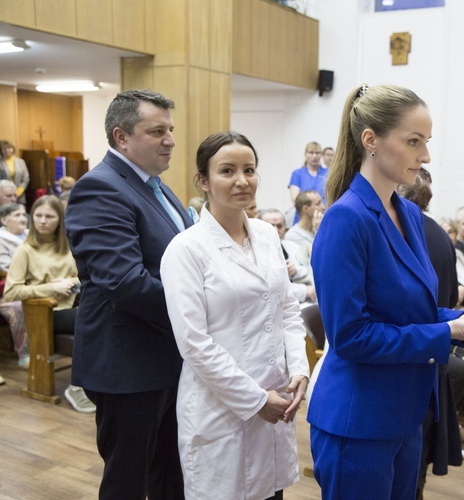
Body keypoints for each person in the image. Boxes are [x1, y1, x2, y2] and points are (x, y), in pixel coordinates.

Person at [307, 83, 464, 500]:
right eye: (413, 141)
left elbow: (414, 311)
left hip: (404, 413)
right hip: (358, 420)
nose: (424, 156)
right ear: (371, 140)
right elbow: (350, 336)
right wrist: (448, 333)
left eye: (425, 142)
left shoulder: (406, 212)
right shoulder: (346, 219)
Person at [161, 132, 309, 499]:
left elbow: (287, 308)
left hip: (276, 399)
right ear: (203, 181)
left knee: (270, 492)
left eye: (249, 169)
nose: (242, 180)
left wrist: (299, 369)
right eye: (227, 171)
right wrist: (256, 400)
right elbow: (194, 343)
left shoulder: (266, 234)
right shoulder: (186, 249)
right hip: (221, 409)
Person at [65, 89, 192, 499]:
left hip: (167, 355)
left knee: (171, 471)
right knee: (128, 480)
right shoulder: (99, 188)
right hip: (128, 363)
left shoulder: (158, 187)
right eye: (157, 131)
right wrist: (198, 309)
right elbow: (124, 281)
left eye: (170, 129)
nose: (170, 139)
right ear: (121, 137)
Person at [396, 168, 463, 497]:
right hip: (433, 358)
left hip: (404, 361)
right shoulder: (439, 235)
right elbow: (450, 296)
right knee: (414, 470)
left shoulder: (405, 233)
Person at [4, 196, 91, 410]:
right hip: (45, 314)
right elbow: (11, 291)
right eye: (38, 216)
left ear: (60, 220)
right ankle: (77, 385)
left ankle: (93, 381)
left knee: (105, 313)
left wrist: (67, 281)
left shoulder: (67, 246)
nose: (43, 221)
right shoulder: (25, 250)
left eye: (49, 216)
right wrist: (51, 288)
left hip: (73, 306)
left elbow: (84, 276)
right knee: (89, 318)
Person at [259, 208, 317, 304]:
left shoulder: (291, 246)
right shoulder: (255, 254)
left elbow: (309, 272)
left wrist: (295, 271)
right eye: (270, 226)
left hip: (305, 302)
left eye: (279, 226)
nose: (275, 230)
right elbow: (269, 289)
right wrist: (303, 291)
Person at [0, 202, 29, 367]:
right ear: (4, 220)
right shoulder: (1, 239)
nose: (22, 219)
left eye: (24, 215)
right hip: (7, 291)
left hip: (34, 284)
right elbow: (5, 267)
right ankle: (25, 355)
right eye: (17, 215)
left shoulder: (31, 234)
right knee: (18, 307)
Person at [288, 141, 327, 224]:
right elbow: (296, 200)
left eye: (317, 153)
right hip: (302, 219)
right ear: (305, 154)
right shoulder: (297, 174)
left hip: (322, 217)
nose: (314, 156)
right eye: (311, 153)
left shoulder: (328, 173)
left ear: (321, 155)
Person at [0, 141, 30, 205]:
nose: (8, 150)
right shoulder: (0, 163)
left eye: (10, 148)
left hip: (20, 196)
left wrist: (18, 191)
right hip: (5, 198)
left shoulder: (21, 161)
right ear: (1, 151)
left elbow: (26, 178)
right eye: (5, 148)